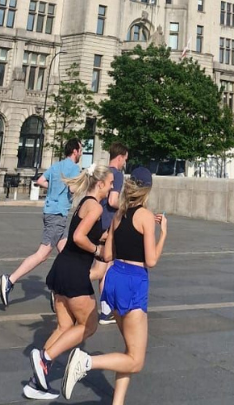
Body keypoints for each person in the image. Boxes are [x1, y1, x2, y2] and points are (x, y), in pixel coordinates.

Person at [61, 166, 167, 404]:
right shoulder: (146, 217)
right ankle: (87, 362)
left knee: (129, 351)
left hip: (114, 277)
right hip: (134, 282)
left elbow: (107, 255)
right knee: (136, 360)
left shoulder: (118, 215)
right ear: (147, 190)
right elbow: (151, 260)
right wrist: (164, 235)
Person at [24, 163, 114, 401]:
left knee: (64, 326)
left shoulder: (85, 202)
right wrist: (98, 251)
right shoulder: (94, 206)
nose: (112, 188)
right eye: (111, 184)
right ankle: (45, 358)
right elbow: (77, 236)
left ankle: (36, 382)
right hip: (75, 272)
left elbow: (87, 232)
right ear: (101, 183)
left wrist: (109, 236)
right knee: (89, 325)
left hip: (62, 269)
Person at [0, 138, 83, 307]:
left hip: (51, 212)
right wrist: (81, 182)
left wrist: (54, 187)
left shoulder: (56, 166)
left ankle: (57, 292)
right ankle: (10, 280)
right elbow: (73, 189)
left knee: (66, 254)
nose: (81, 152)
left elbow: (40, 181)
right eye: (80, 149)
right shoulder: (74, 169)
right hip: (58, 214)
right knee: (42, 254)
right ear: (75, 151)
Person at [98, 142, 129, 324]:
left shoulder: (103, 172)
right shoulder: (117, 175)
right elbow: (112, 200)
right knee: (107, 268)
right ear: (120, 157)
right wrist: (126, 206)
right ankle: (65, 287)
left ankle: (105, 309)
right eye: (125, 159)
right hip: (108, 224)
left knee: (103, 267)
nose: (125, 162)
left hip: (98, 222)